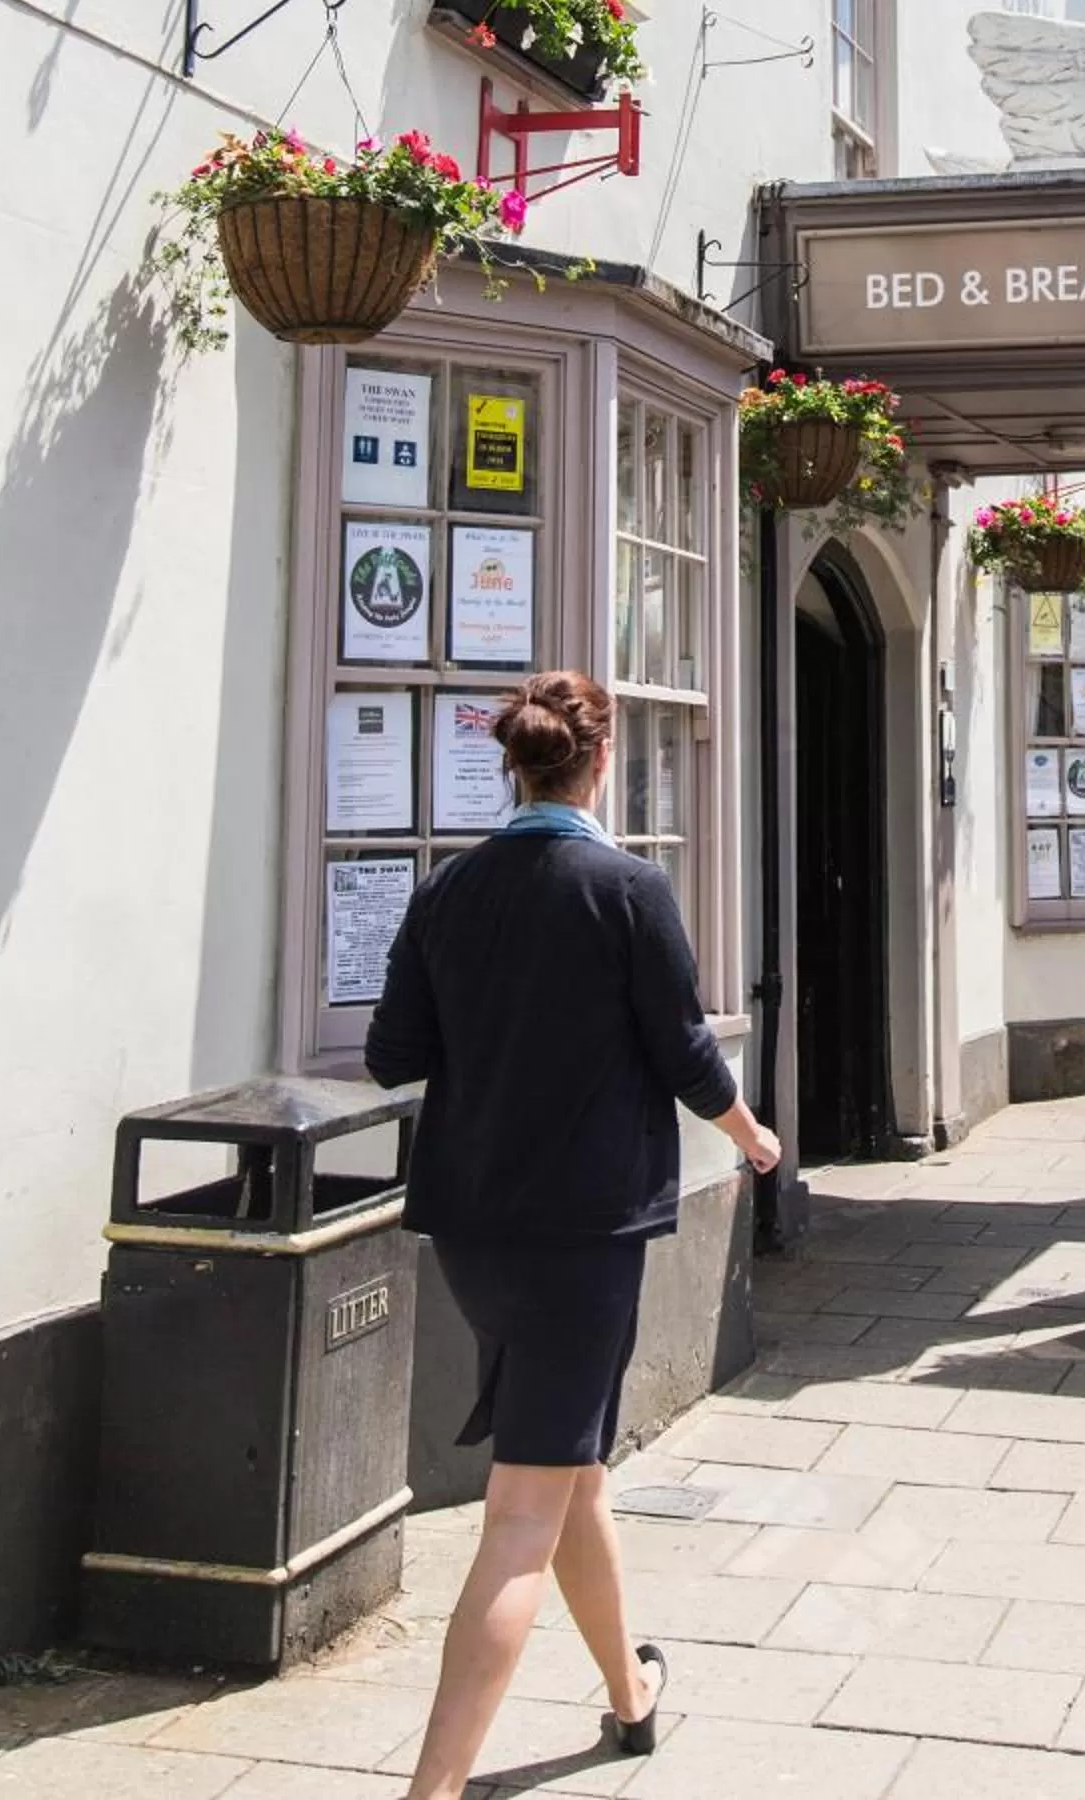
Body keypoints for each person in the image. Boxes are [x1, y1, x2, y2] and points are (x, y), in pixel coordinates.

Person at [365, 670, 781, 1800]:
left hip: (470, 1223)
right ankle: (434, 1787)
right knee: (521, 1513)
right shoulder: (626, 887)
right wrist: (751, 1134)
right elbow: (685, 1048)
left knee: (567, 1469)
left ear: (516, 764)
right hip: (582, 1231)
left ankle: (627, 1695)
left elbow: (392, 1053)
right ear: (598, 763)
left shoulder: (449, 891)